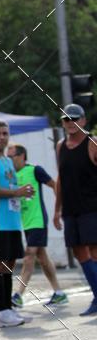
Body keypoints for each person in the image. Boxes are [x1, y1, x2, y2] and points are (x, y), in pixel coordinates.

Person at [7, 145, 68, 308]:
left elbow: (55, 185)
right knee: (42, 257)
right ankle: (59, 293)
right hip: (25, 223)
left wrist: (60, 208)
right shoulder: (11, 176)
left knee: (29, 255)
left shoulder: (35, 170)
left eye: (11, 156)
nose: (9, 159)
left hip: (38, 220)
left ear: (22, 156)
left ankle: (18, 295)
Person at [54, 104, 97, 316]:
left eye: (74, 118)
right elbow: (60, 179)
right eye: (65, 119)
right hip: (70, 210)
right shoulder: (61, 146)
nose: (70, 123)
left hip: (92, 207)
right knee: (79, 252)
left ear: (83, 121)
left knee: (95, 251)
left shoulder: (92, 144)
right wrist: (56, 210)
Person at [0, 122, 34, 328]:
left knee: (9, 263)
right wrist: (16, 192)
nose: (1, 137)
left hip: (11, 220)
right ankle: (2, 312)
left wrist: (23, 191)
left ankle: (8, 308)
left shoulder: (7, 161)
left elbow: (10, 186)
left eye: (4, 133)